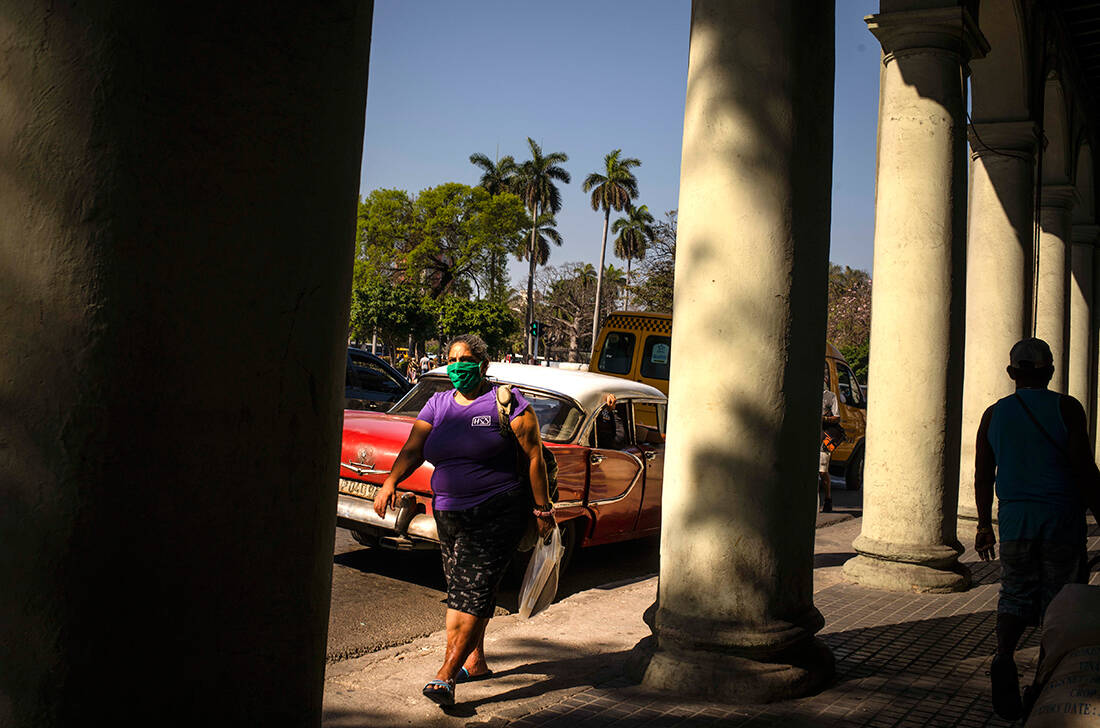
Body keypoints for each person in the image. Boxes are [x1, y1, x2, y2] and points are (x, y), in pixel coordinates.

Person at [373, 333, 554, 707]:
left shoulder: (507, 403)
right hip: (449, 512)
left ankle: (446, 674)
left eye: (465, 360)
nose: (457, 367)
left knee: (468, 595)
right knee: (466, 587)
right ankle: (477, 661)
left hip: (497, 510)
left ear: (482, 365)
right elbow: (413, 448)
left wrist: (542, 510)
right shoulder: (437, 404)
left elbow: (535, 457)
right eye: (451, 360)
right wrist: (390, 481)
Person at [974, 337, 1100, 721]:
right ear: (1050, 372)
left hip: (1014, 522)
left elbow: (983, 475)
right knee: (1058, 605)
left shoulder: (993, 415)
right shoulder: (1067, 408)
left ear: (1012, 374)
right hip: (1061, 520)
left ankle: (1003, 655)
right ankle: (1043, 680)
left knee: (1013, 594)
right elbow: (1084, 470)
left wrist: (984, 524)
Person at [820, 365, 841, 513]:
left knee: (822, 471)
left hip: (824, 439)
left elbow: (837, 417)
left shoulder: (830, 397)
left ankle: (828, 499)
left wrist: (824, 418)